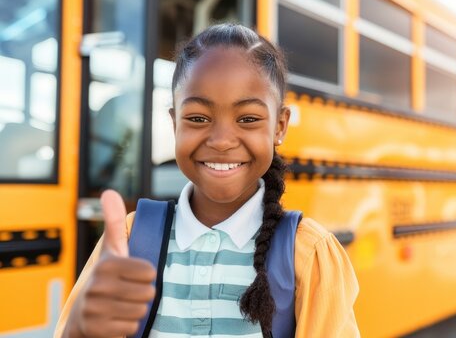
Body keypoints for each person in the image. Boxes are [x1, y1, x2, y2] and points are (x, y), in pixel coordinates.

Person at [55, 24, 360, 337]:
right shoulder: (131, 238)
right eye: (198, 118)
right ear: (175, 123)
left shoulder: (307, 252)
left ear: (280, 126)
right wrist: (80, 328)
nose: (222, 140)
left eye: (248, 119)